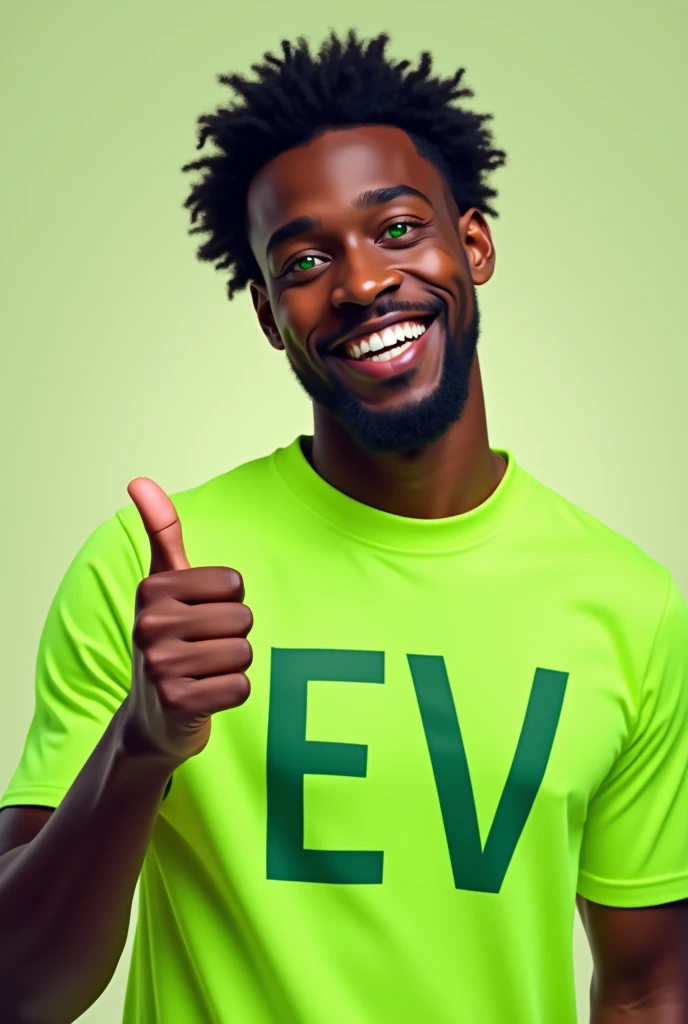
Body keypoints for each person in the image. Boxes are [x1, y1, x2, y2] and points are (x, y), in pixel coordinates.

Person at [0, 28, 686, 1024]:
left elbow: (646, 982)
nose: (362, 283)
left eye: (399, 229)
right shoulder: (151, 580)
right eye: (308, 258)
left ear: (474, 243)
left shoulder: (628, 603)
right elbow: (19, 991)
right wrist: (140, 744)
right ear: (270, 314)